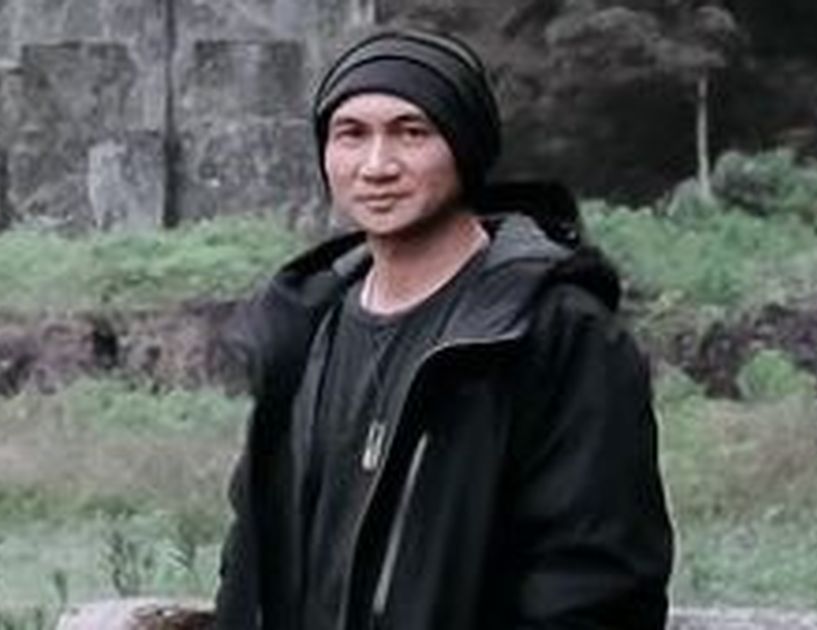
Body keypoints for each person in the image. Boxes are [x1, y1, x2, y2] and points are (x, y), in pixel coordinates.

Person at [213, 28, 673, 630]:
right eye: (351, 134)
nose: (377, 166)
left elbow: (597, 583)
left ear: (465, 144)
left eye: (411, 132)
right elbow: (251, 558)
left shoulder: (557, 333)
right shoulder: (303, 328)